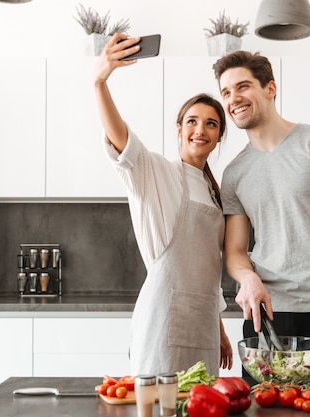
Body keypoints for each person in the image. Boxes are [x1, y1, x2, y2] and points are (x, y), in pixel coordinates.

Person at [213, 51, 310, 377]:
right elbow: (235, 252)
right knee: (261, 410)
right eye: (226, 92)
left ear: (270, 88)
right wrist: (248, 278)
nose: (234, 98)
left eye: (243, 86)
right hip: (264, 310)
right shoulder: (234, 173)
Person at [93, 34, 233, 376]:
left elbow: (210, 270)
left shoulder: (217, 193)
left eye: (211, 124)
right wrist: (99, 82)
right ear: (179, 129)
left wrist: (219, 325)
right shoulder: (156, 172)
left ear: (218, 137)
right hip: (162, 319)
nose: (200, 130)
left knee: (203, 406)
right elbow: (120, 138)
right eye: (192, 122)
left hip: (202, 323)